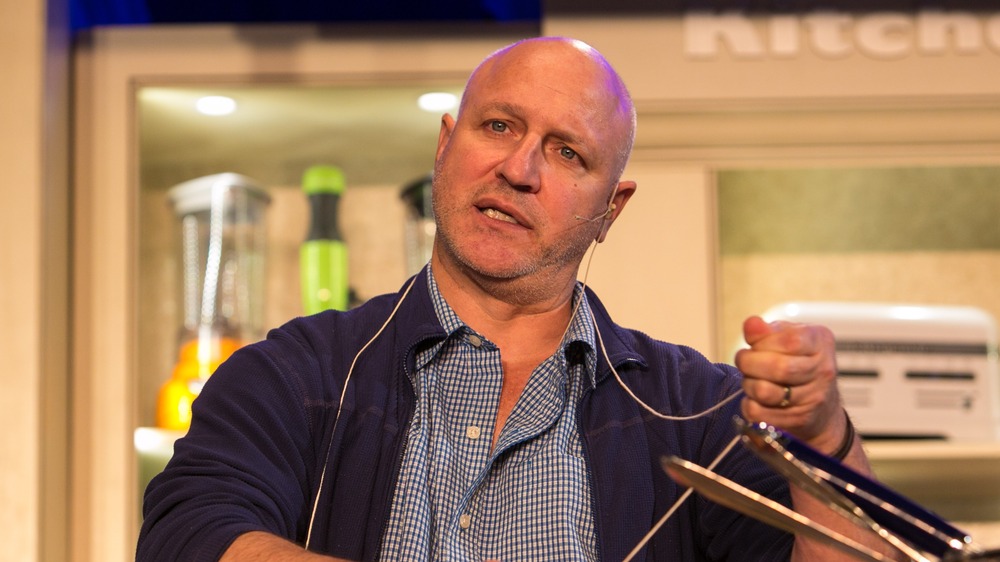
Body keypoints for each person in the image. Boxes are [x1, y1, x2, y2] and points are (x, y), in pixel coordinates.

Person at [137, 36, 890, 561]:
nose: (519, 168)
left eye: (568, 153)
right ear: (444, 147)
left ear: (611, 208)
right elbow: (188, 535)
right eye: (498, 125)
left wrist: (821, 442)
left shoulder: (701, 412)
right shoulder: (291, 374)